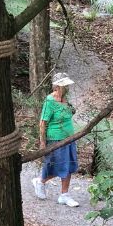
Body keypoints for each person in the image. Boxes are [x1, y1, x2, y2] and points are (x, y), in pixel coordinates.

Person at [33, 72, 80, 207]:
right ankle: (40, 182)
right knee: (56, 166)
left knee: (69, 166)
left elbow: (70, 112)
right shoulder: (50, 101)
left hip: (69, 138)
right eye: (65, 85)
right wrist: (42, 142)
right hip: (55, 140)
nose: (68, 88)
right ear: (58, 86)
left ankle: (64, 195)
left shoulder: (65, 99)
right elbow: (43, 122)